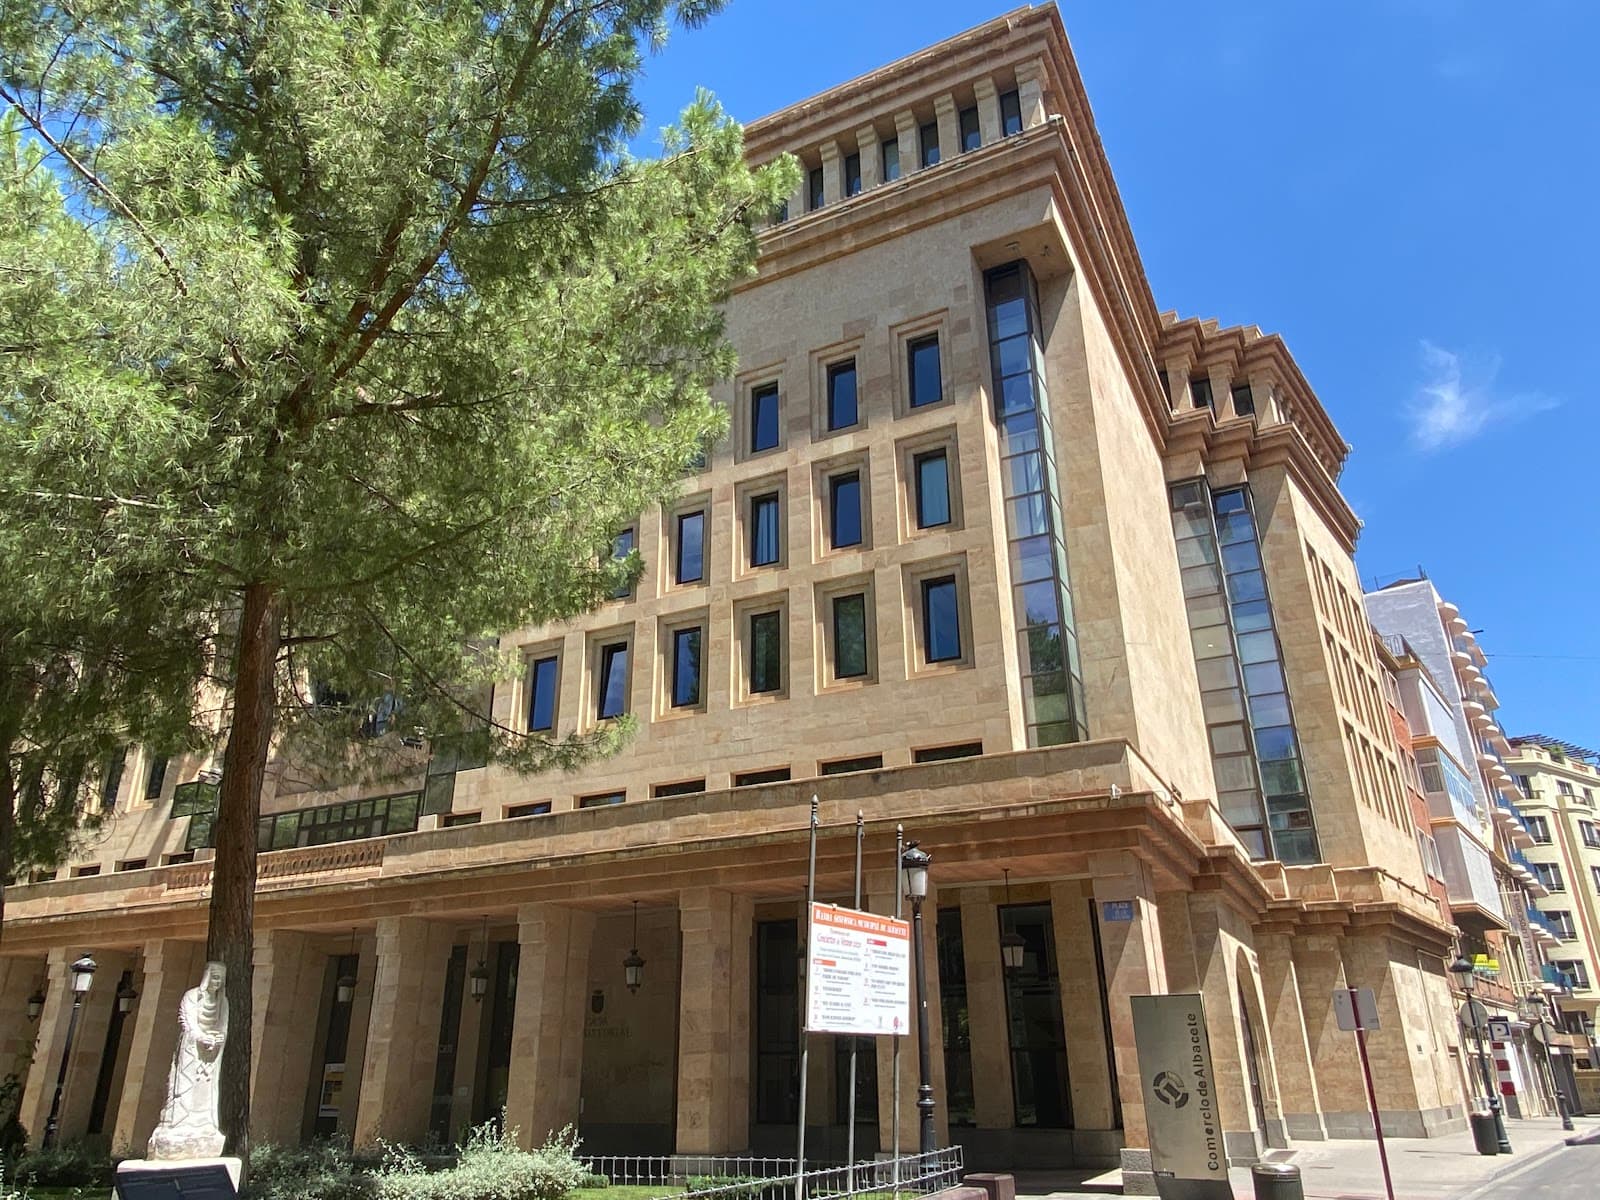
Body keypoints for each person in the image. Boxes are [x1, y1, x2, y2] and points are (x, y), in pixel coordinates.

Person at [147, 961, 228, 1160]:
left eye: (220, 978)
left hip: (211, 1054)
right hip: (191, 1050)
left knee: (207, 1088)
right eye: (214, 977)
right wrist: (201, 1036)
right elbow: (187, 1022)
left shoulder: (223, 1003)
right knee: (184, 1084)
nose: (217, 982)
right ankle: (177, 1121)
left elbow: (223, 1026)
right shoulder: (192, 996)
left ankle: (203, 1123)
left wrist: (218, 1038)